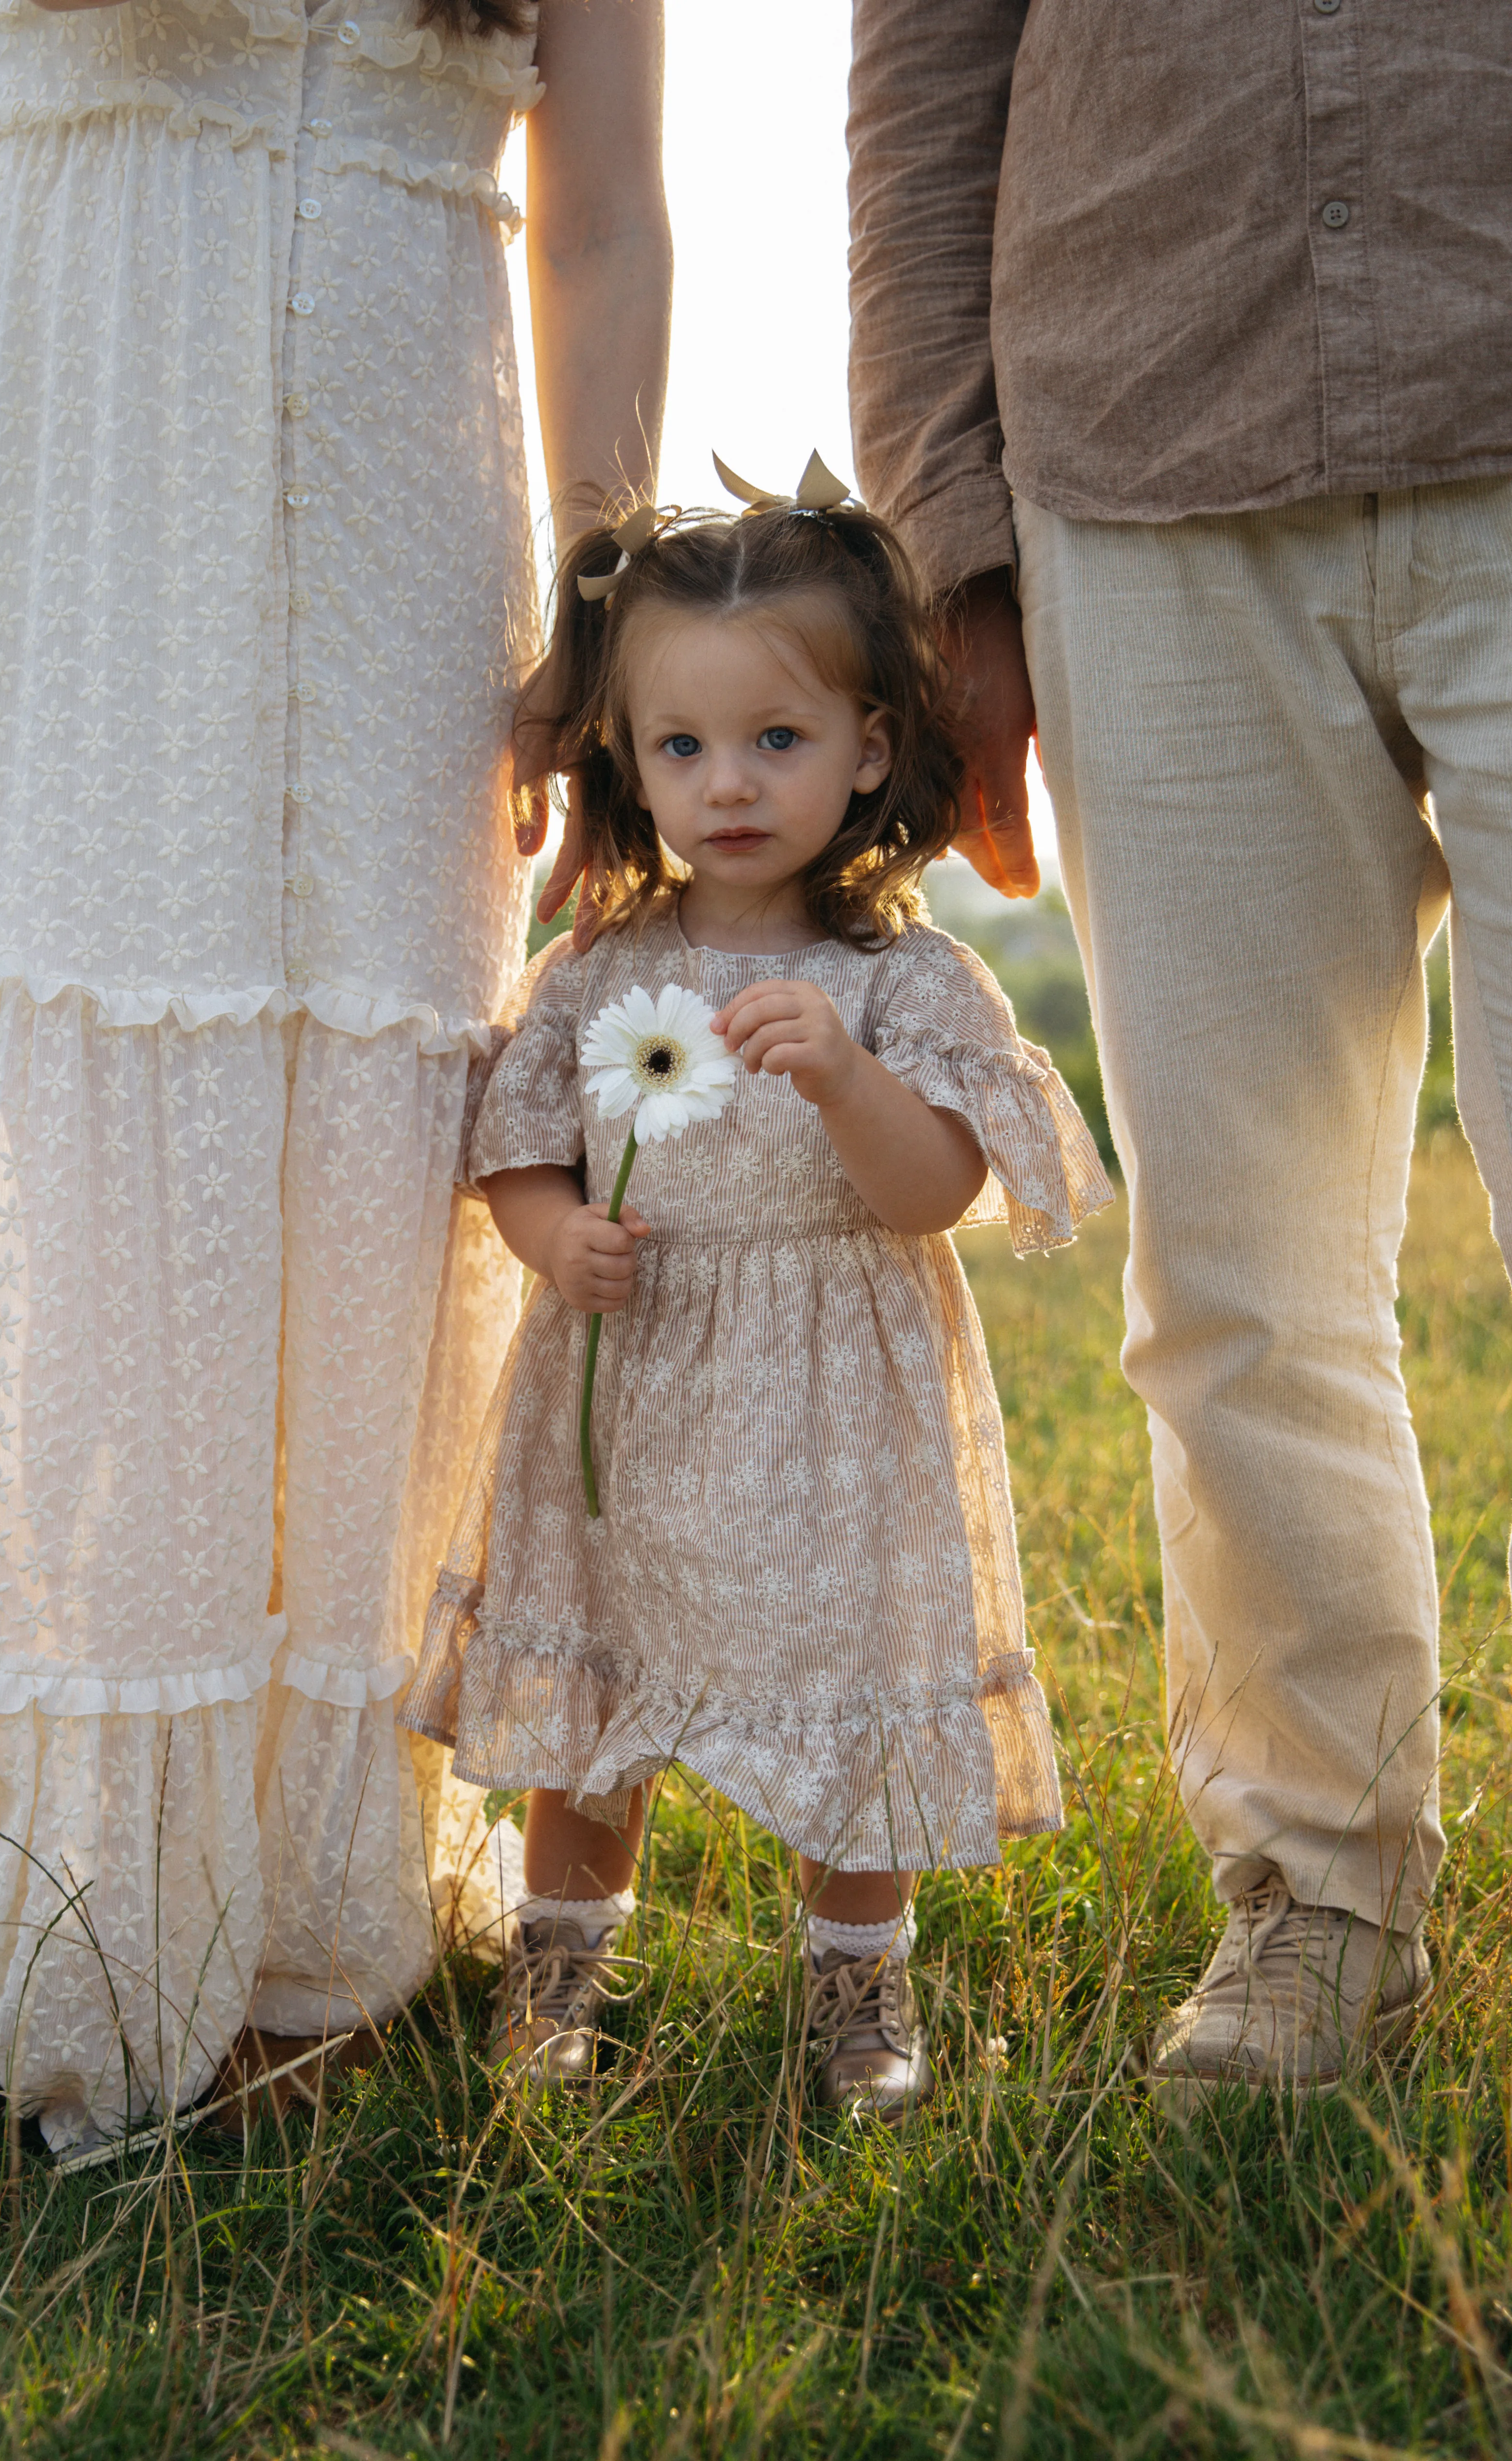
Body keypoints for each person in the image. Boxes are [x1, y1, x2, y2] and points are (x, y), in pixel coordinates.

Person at [0, 0, 669, 2156]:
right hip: (79, 451)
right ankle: (83, 1889)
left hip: (416, 493)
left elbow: (601, 219)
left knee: (377, 1135)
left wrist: (605, 630)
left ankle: (309, 1895)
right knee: (94, 1142)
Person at [845, 0, 1512, 2102]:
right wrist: (948, 535)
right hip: (1142, 454)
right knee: (1235, 1267)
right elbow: (925, 72)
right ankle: (1321, 1893)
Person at [399, 474, 1111, 2114]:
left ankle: (859, 1982)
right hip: (635, 1386)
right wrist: (551, 1235)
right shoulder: (599, 966)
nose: (726, 785)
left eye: (776, 741)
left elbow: (937, 1189)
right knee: (599, 1677)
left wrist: (851, 1078)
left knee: (852, 1683)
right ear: (630, 758)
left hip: (835, 1411)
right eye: (682, 748)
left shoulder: (905, 980)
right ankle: (564, 1955)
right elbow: (520, 1141)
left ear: (868, 746)